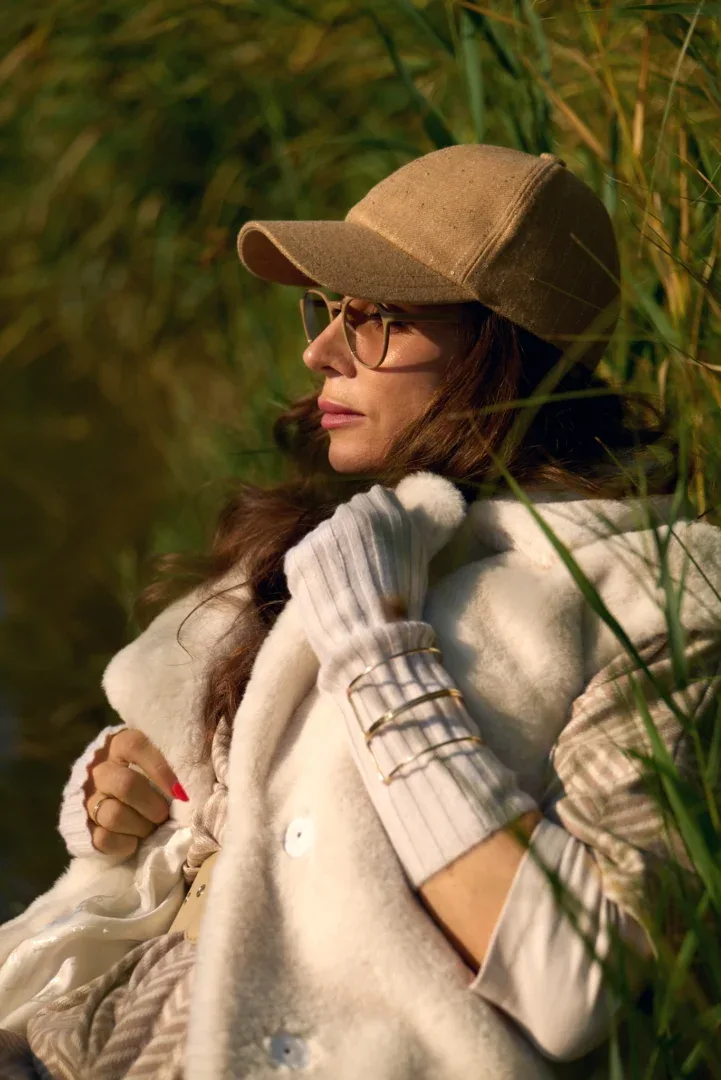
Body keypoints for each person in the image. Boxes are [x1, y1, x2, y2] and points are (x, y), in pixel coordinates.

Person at [0, 142, 719, 1080]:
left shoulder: (652, 605)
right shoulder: (345, 535)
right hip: (72, 1024)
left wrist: (378, 656)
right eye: (331, 309)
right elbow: (208, 816)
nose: (321, 351)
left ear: (501, 351)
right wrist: (126, 790)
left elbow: (578, 979)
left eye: (379, 318)